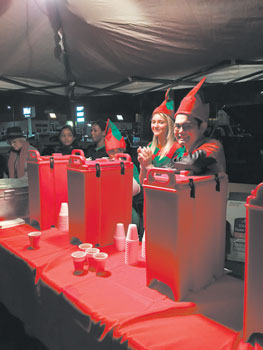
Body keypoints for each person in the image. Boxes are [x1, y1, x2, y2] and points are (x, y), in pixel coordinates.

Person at [168, 77, 226, 174]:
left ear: (202, 127)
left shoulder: (213, 145)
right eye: (177, 126)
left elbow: (192, 161)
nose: (181, 131)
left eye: (187, 126)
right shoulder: (183, 151)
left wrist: (169, 167)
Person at [104, 119, 143, 236]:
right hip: (108, 209)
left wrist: (125, 171)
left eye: (119, 150)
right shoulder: (103, 165)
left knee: (133, 222)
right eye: (112, 151)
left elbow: (137, 188)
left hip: (127, 208)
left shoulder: (130, 165)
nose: (116, 155)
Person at [137, 88, 179, 183]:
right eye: (153, 122)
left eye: (161, 122)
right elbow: (142, 182)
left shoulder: (178, 149)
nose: (155, 126)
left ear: (169, 125)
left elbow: (172, 181)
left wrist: (149, 166)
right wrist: (143, 166)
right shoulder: (149, 147)